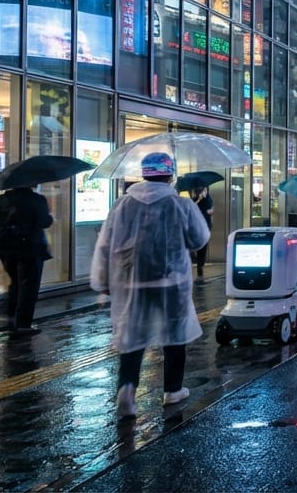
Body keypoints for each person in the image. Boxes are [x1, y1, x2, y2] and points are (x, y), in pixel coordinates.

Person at [90, 152, 210, 418]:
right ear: (170, 175)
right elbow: (199, 239)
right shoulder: (181, 205)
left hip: (131, 282)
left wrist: (103, 280)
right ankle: (172, 390)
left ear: (144, 173)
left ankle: (127, 389)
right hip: (172, 282)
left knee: (132, 336)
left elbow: (106, 244)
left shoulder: (122, 205)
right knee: (175, 334)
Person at [0, 184, 54, 336]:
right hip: (30, 248)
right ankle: (24, 324)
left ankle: (11, 318)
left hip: (6, 248)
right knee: (29, 286)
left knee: (15, 283)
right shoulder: (37, 200)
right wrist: (49, 215)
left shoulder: (3, 199)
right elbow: (45, 222)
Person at [189, 186, 213, 278]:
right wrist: (198, 199)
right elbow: (190, 208)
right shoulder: (194, 200)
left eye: (206, 190)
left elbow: (210, 209)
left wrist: (211, 211)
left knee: (203, 247)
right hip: (194, 226)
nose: (205, 192)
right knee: (193, 246)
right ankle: (194, 259)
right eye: (203, 190)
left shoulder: (209, 199)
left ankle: (200, 266)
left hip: (205, 226)